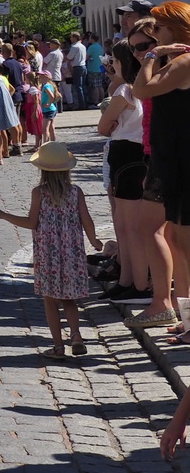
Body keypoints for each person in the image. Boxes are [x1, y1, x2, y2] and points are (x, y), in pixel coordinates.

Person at [0, 143, 100, 359]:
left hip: (47, 255)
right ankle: (76, 335)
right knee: (69, 299)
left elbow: (32, 222)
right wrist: (94, 240)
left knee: (50, 300)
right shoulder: (76, 192)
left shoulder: (39, 193)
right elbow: (86, 219)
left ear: (42, 170)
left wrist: (3, 214)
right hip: (72, 254)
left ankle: (58, 347)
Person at [97, 41, 175, 325]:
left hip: (126, 153)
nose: (111, 66)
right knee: (128, 227)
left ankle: (139, 284)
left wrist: (110, 122)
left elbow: (104, 126)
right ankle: (129, 280)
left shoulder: (125, 90)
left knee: (130, 227)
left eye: (115, 62)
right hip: (136, 153)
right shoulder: (143, 88)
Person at [130, 2, 190, 321]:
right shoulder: (178, 60)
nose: (155, 34)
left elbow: (142, 89)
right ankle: (185, 319)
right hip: (172, 157)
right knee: (179, 242)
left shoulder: (184, 62)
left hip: (182, 159)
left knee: (185, 246)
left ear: (175, 28)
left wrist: (152, 55)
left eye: (159, 28)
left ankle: (187, 320)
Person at [19, 71, 44, 151]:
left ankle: (38, 145)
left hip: (33, 108)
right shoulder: (35, 88)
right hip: (33, 108)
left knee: (36, 126)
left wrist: (35, 111)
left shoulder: (33, 89)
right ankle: (37, 144)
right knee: (36, 126)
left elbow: (36, 100)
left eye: (26, 78)